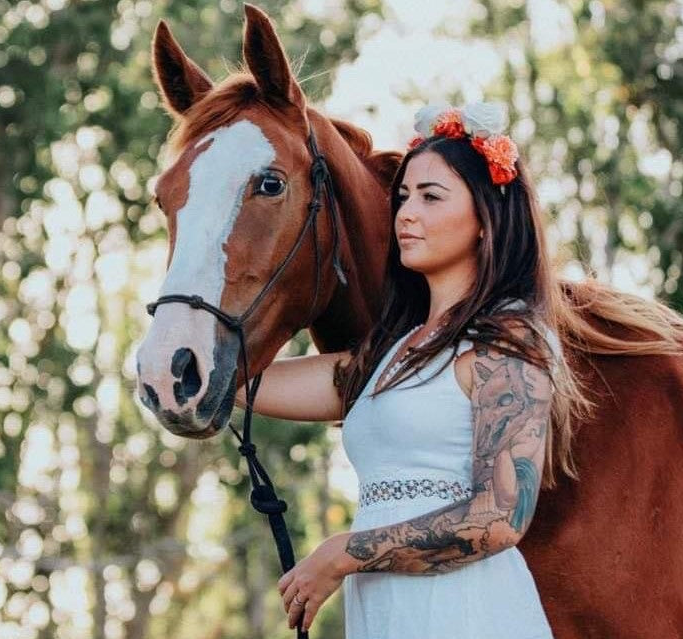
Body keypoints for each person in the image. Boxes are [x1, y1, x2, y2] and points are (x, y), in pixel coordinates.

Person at [236, 101, 575, 638]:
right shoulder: (393, 352)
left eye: (430, 197)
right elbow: (241, 385)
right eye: (403, 196)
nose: (406, 214)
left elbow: (500, 518)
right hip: (390, 615)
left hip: (467, 613)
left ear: (486, 220)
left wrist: (344, 554)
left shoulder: (508, 338)